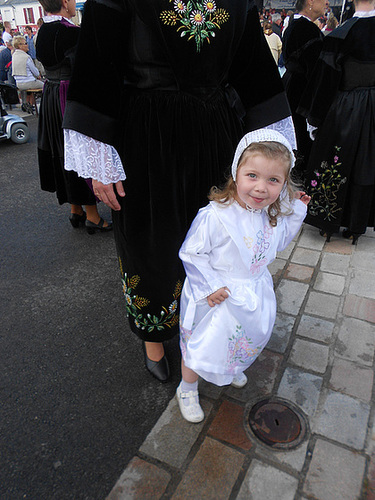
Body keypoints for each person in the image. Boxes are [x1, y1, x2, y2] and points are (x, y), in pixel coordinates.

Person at [62, 0, 296, 382]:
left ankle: (208, 330)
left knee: (218, 238)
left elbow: (254, 67)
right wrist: (100, 160)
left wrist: (272, 158)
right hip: (147, 139)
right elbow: (97, 63)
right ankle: (154, 335)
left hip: (217, 135)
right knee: (150, 240)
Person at [176, 129, 310, 422]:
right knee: (201, 344)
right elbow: (191, 253)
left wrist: (298, 210)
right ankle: (187, 386)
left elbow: (277, 243)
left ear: (283, 184)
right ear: (236, 172)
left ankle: (228, 366)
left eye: (273, 180)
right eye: (252, 176)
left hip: (250, 291)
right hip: (215, 294)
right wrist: (210, 286)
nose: (261, 188)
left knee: (236, 340)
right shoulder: (215, 215)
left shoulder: (268, 215)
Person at [298, 0, 375, 245]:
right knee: (366, 161)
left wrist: (315, 119)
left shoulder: (341, 34)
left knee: (337, 158)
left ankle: (328, 222)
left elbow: (325, 83)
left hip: (348, 107)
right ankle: (357, 225)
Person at [35, 0, 112, 233]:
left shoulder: (42, 31)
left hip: (50, 94)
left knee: (60, 151)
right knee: (79, 150)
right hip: (68, 96)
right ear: (66, 3)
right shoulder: (72, 33)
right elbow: (85, 69)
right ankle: (92, 215)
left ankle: (75, 209)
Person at [282, 0, 327, 180]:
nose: (327, 2)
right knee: (303, 146)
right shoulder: (306, 29)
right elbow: (316, 73)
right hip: (303, 96)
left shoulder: (296, 25)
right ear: (309, 1)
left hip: (293, 91)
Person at [12, 35, 44, 112]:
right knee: (46, 86)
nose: (27, 45)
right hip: (28, 82)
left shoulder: (14, 56)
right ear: (20, 46)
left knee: (30, 87)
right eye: (25, 43)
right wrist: (38, 76)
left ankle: (28, 105)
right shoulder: (26, 57)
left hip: (18, 83)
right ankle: (44, 106)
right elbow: (35, 72)